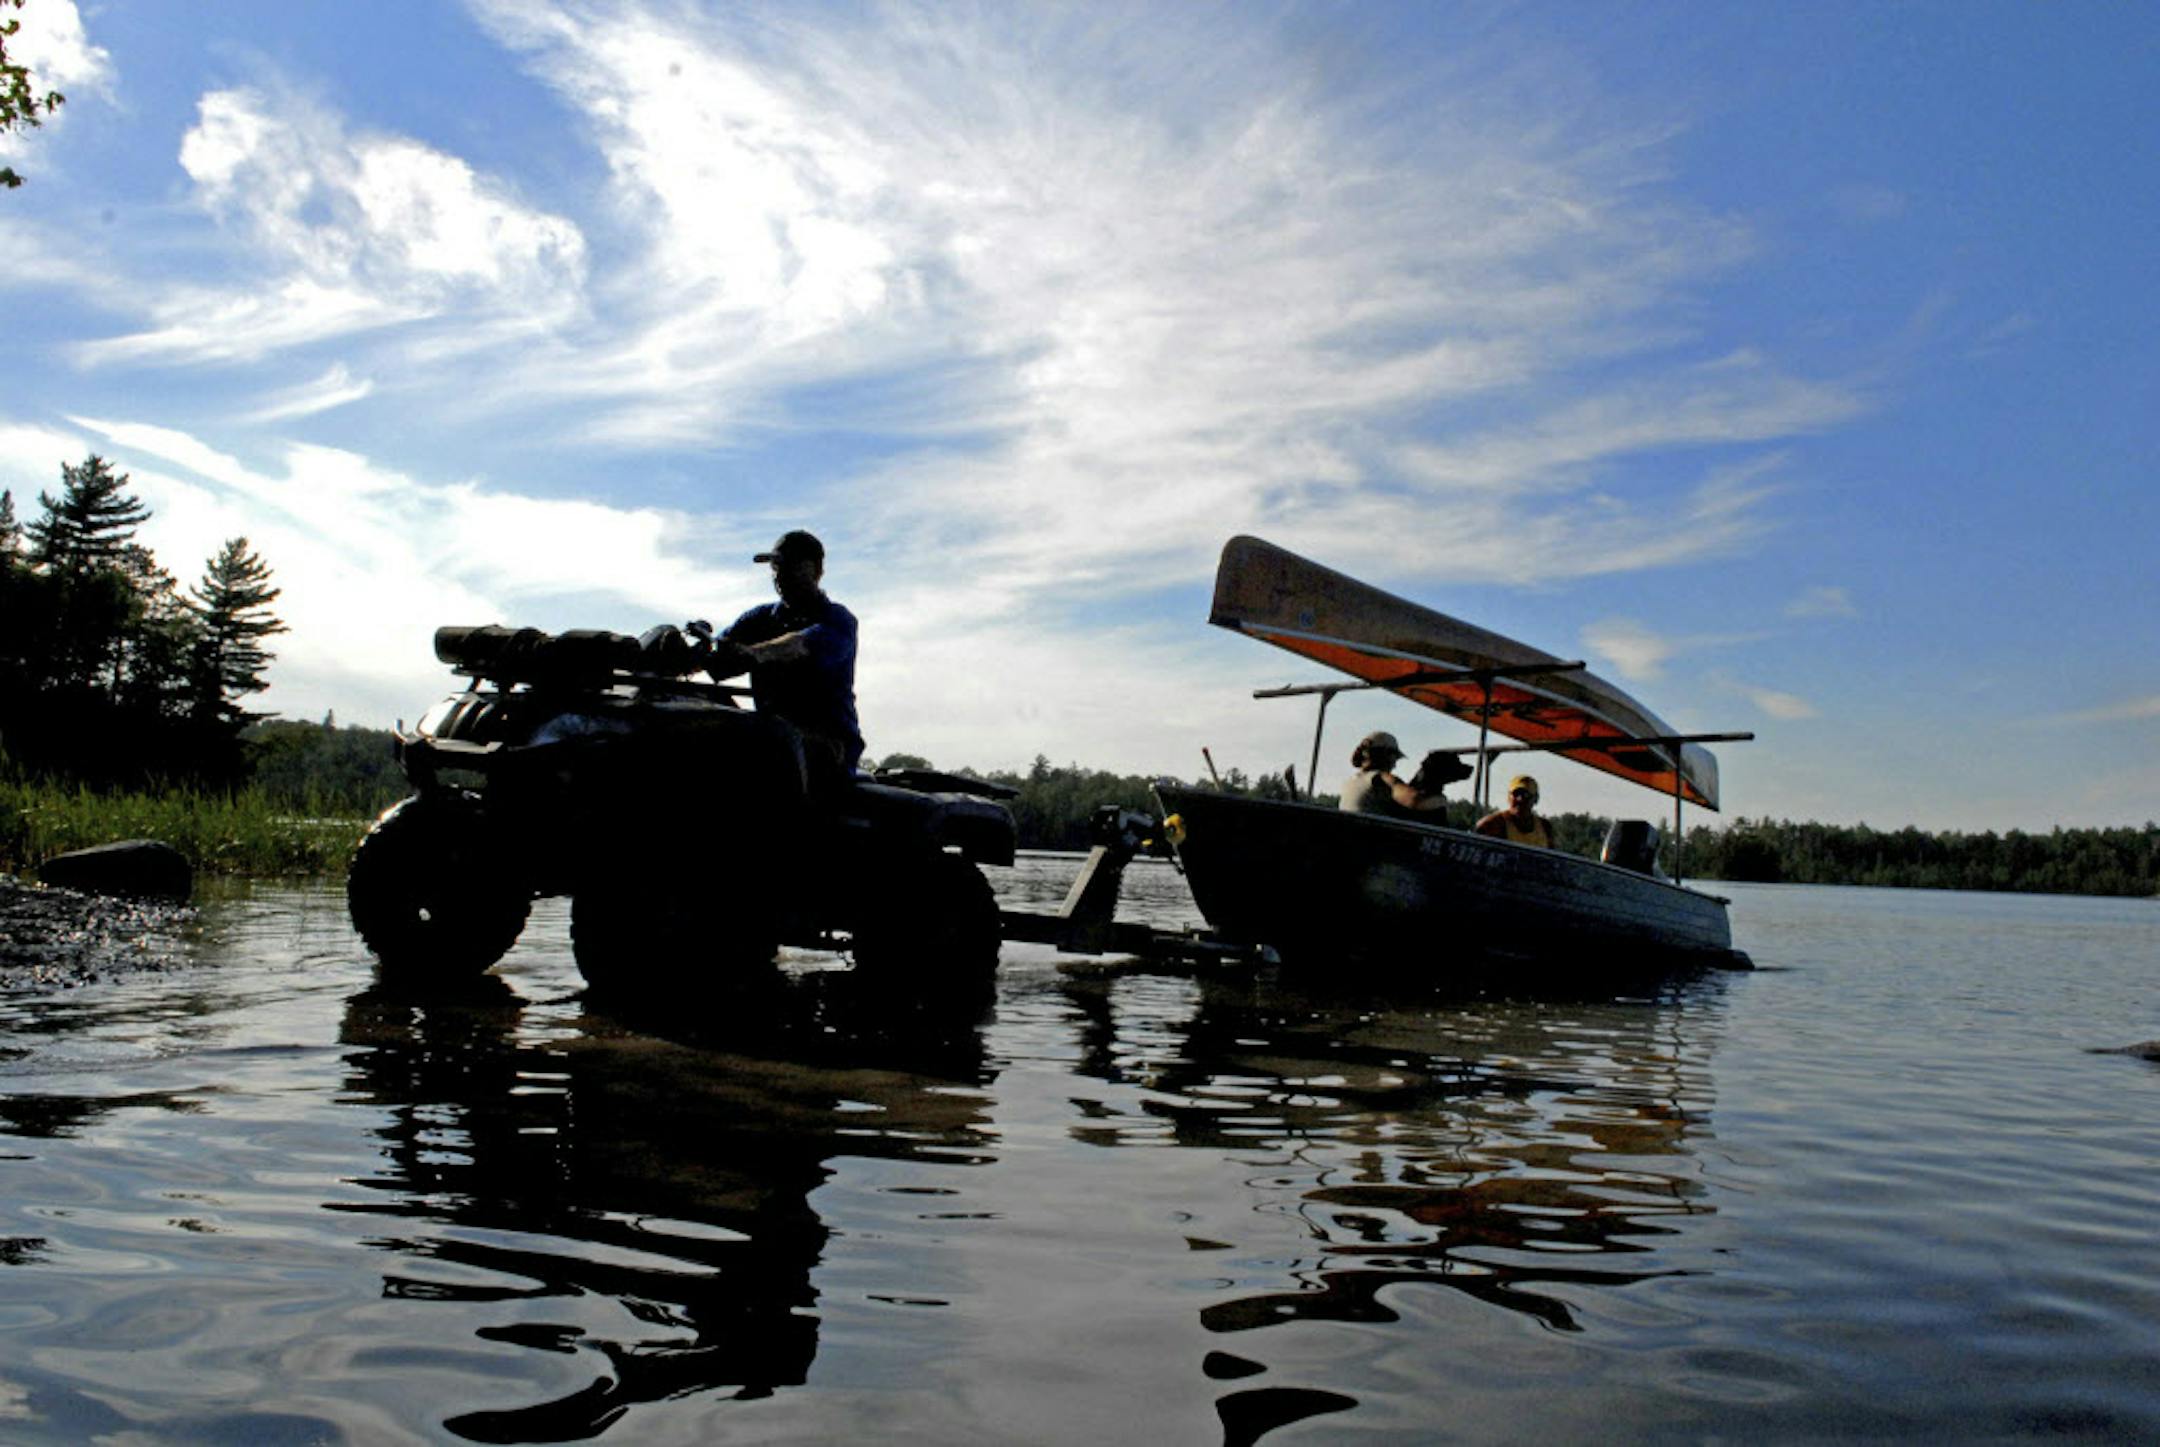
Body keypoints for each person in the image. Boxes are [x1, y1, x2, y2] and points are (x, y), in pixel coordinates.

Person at [712, 529, 865, 777]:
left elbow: (799, 645)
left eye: (790, 566)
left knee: (774, 745)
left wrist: (754, 653)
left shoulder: (837, 619)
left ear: (817, 571)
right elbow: (719, 651)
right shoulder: (760, 617)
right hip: (774, 735)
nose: (779, 575)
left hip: (828, 747)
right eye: (775, 567)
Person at [1338, 731, 1449, 818]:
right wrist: (1440, 801)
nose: (1395, 765)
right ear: (1387, 754)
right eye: (1395, 758)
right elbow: (1415, 800)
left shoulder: (1350, 782)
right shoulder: (1382, 778)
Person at [1476, 774, 1553, 848]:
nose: (1520, 799)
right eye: (1516, 794)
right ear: (1508, 797)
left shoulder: (1544, 827)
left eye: (1526, 795)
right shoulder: (1493, 824)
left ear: (1536, 799)